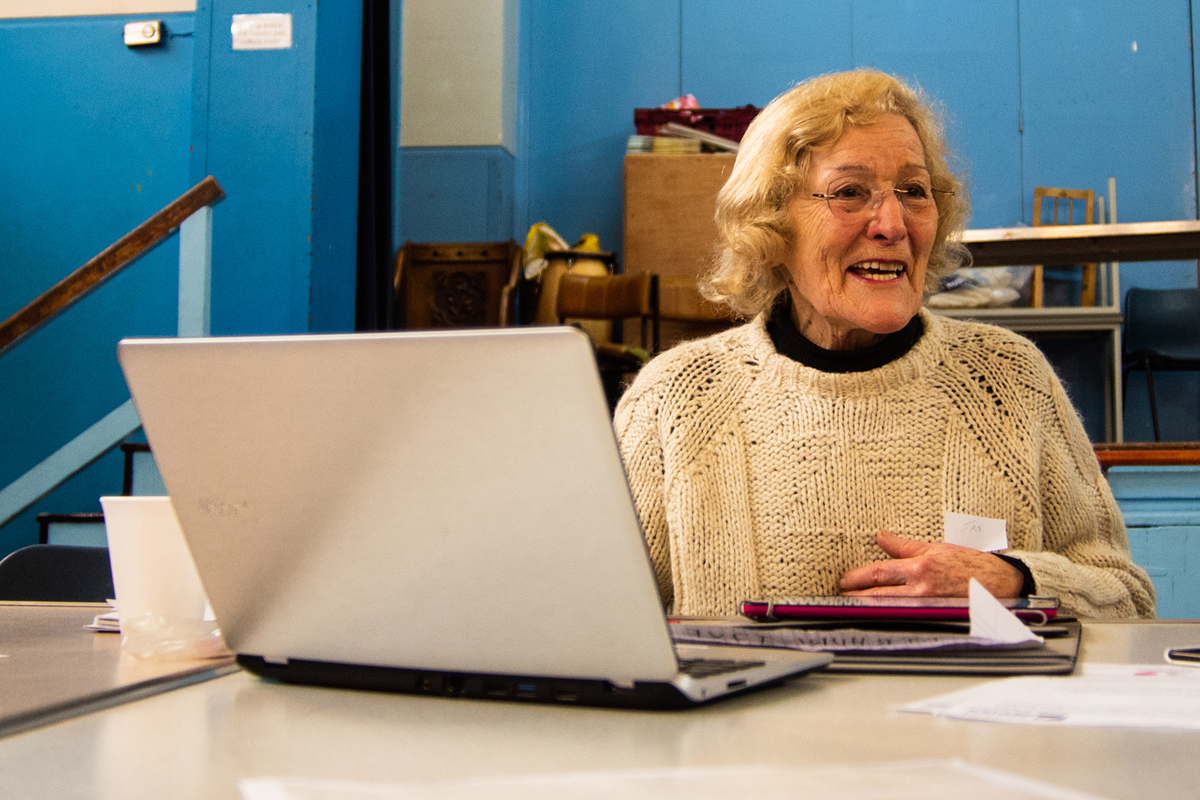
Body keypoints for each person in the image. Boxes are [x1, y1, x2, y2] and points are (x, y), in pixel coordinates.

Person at [614, 69, 1155, 619]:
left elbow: (1128, 600)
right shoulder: (675, 402)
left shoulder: (1009, 381)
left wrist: (1018, 580)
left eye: (914, 192)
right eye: (850, 193)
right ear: (771, 225)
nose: (893, 223)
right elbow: (597, 624)